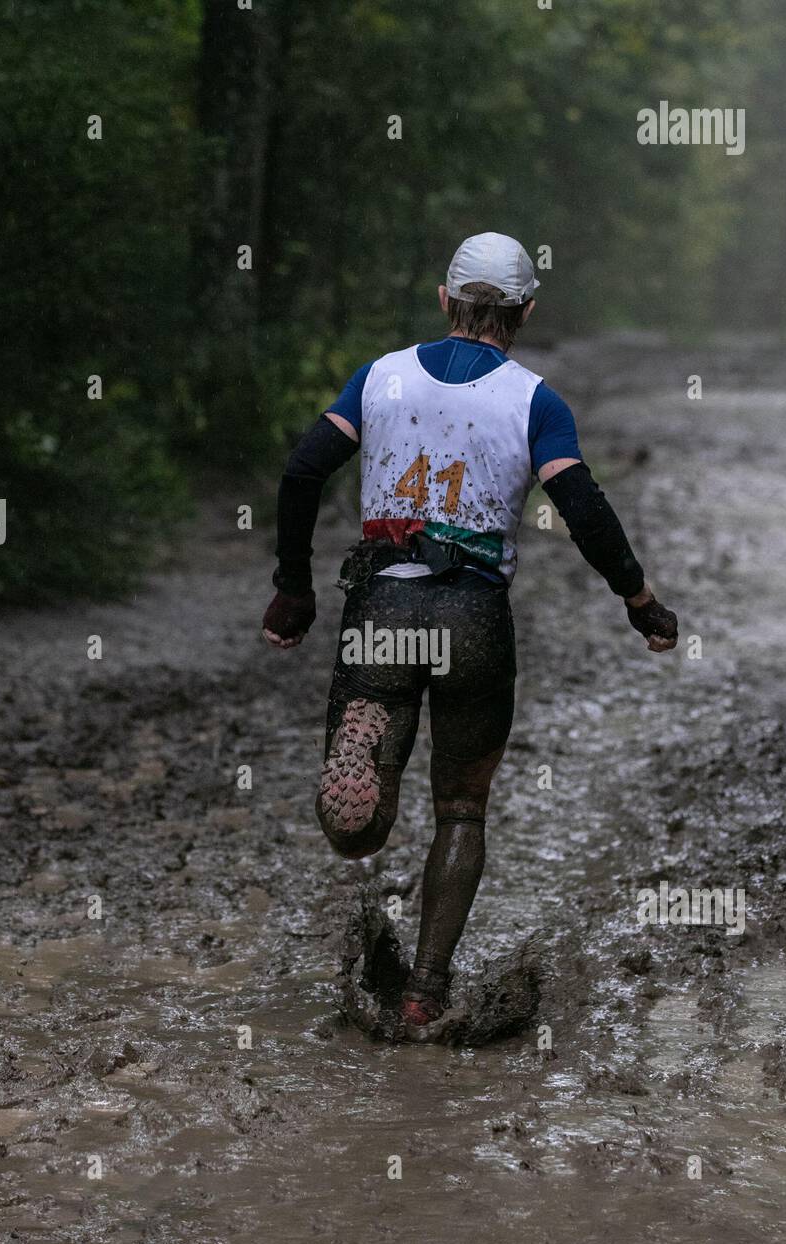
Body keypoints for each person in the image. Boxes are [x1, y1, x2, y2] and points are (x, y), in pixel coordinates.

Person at [262, 232, 678, 1040]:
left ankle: (362, 796)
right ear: (525, 310)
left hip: (383, 607)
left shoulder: (379, 377)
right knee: (460, 810)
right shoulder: (536, 401)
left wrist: (292, 590)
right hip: (474, 618)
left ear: (446, 300)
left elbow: (302, 472)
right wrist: (639, 598)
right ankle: (423, 993)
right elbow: (583, 508)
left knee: (359, 822)